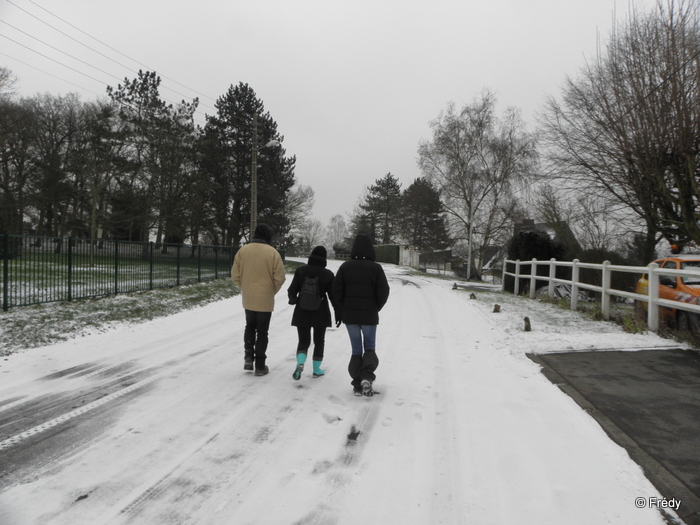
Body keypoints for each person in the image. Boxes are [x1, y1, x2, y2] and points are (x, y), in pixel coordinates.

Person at [333, 233, 390, 396]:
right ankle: (367, 376)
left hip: (350, 317)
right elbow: (384, 291)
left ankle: (357, 383)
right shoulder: (376, 268)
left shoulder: (345, 267)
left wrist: (344, 308)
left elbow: (336, 291)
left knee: (356, 350)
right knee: (370, 348)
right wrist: (375, 307)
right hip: (369, 316)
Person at [231, 223, 286, 376]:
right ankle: (260, 365)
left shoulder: (243, 251)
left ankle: (248, 357)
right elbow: (280, 277)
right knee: (262, 331)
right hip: (265, 296)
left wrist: (245, 286)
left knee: (250, 326)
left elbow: (235, 274)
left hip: (248, 295)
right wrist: (271, 290)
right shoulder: (273, 253)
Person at [287, 246, 339, 380]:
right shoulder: (327, 274)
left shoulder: (301, 271)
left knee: (303, 341)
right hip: (320, 311)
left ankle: (300, 363)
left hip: (302, 310)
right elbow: (334, 296)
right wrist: (339, 313)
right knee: (319, 341)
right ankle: (316, 369)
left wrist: (293, 300)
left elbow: (292, 290)